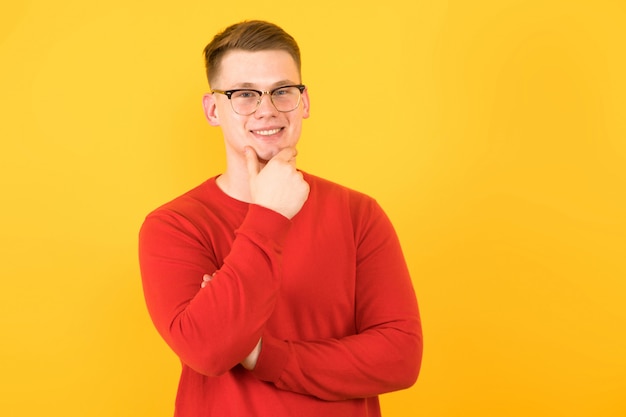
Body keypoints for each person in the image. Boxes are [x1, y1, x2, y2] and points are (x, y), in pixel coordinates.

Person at [138, 20, 422, 417]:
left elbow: (400, 357)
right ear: (212, 109)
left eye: (282, 91)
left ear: (304, 102)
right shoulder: (174, 225)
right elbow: (207, 350)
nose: (267, 109)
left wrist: (260, 354)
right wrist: (268, 215)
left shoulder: (359, 214)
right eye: (245, 94)